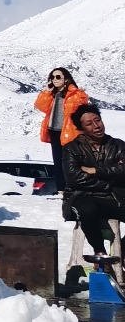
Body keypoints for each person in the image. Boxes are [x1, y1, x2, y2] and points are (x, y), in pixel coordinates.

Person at [61, 104, 125, 282]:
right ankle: (99, 251)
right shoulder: (71, 149)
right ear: (81, 129)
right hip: (82, 198)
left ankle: (123, 253)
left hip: (115, 199)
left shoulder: (118, 145)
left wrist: (96, 171)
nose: (96, 126)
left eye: (98, 120)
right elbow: (74, 179)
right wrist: (109, 182)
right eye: (89, 123)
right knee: (87, 210)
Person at [35, 67, 90, 192]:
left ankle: (74, 188)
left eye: (58, 77)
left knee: (70, 163)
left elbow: (82, 114)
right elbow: (40, 106)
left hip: (70, 133)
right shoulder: (53, 94)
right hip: (54, 131)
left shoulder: (76, 95)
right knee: (57, 163)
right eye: (52, 77)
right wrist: (47, 91)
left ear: (66, 79)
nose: (54, 79)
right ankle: (61, 190)